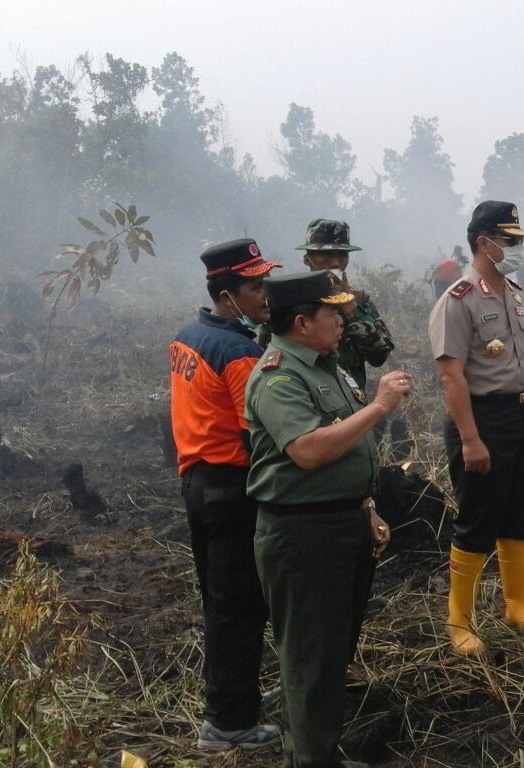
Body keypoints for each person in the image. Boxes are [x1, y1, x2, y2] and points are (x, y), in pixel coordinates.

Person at [245, 270, 411, 767]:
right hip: (303, 536)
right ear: (301, 322)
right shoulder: (278, 377)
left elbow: (347, 447)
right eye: (331, 313)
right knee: (311, 660)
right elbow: (309, 450)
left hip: (341, 525)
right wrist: (380, 406)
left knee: (331, 652)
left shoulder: (324, 366)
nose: (342, 321)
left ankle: (317, 755)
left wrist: (366, 509)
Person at [169, 239, 282, 751]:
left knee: (220, 602)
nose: (265, 296)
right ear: (228, 294)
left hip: (198, 484)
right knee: (239, 607)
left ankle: (231, 701)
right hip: (233, 490)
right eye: (256, 287)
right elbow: (255, 435)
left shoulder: (189, 336)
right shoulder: (239, 352)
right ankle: (230, 724)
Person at [428, 200, 524, 656]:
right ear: (484, 243)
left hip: (520, 417)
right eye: (509, 240)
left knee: (521, 512)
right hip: (482, 420)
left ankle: (519, 605)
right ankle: (460, 620)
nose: (516, 248)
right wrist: (470, 439)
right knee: (478, 518)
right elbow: (451, 376)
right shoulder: (457, 300)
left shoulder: (514, 293)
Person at [292, 218, 395, 390]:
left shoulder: (359, 300)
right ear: (307, 259)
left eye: (342, 255)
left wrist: (351, 311)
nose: (335, 263)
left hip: (352, 399)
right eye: (326, 255)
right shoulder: (291, 301)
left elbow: (379, 357)